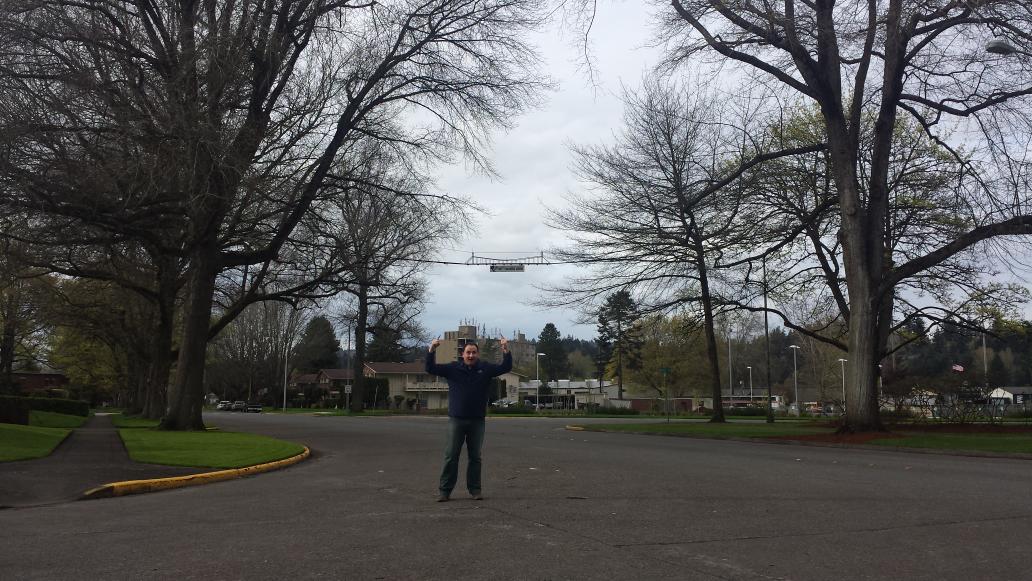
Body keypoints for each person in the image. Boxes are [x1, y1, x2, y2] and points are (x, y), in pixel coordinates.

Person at [425, 335, 511, 502]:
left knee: (475, 457)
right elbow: (430, 368)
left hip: (477, 421)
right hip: (456, 420)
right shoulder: (452, 369)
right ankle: (445, 491)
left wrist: (505, 349)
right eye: (468, 353)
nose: (471, 356)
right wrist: (432, 349)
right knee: (451, 456)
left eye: (473, 353)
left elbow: (505, 367)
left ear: (477, 354)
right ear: (462, 355)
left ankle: (475, 490)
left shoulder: (485, 369)